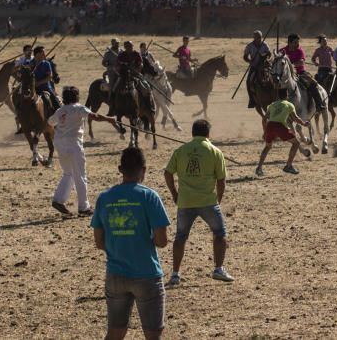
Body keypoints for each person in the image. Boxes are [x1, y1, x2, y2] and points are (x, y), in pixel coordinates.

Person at [90, 147, 170, 340]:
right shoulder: (150, 196)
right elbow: (161, 241)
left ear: (120, 169)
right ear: (144, 170)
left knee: (115, 332)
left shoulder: (105, 198)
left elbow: (99, 242)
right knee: (153, 335)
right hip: (147, 275)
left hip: (115, 275)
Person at [164, 119, 234, 284]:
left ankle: (175, 274)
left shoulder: (181, 150)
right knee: (220, 234)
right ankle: (218, 269)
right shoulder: (215, 151)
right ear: (208, 134)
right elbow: (221, 180)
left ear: (193, 133)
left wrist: (175, 194)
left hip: (185, 201)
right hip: (208, 201)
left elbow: (167, 173)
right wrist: (218, 200)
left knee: (180, 237)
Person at [49, 86, 121, 216]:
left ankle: (58, 200)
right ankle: (84, 207)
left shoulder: (60, 111)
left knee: (68, 173)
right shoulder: (79, 108)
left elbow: (50, 122)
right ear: (77, 97)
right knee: (80, 175)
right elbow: (95, 116)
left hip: (60, 143)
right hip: (73, 143)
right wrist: (109, 119)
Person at [256, 89, 312, 177]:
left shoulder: (272, 105)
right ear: (287, 95)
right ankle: (288, 166)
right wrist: (304, 123)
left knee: (267, 147)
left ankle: (259, 168)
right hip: (280, 126)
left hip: (270, 126)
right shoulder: (289, 104)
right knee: (296, 143)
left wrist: (265, 132)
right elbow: (296, 118)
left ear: (278, 96)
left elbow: (264, 119)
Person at [279, 34, 325, 110]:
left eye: (298, 42)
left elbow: (301, 62)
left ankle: (319, 104)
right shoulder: (282, 51)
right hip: (285, 75)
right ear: (289, 43)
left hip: (300, 73)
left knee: (312, 83)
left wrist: (291, 65)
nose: (297, 44)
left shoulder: (300, 51)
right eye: (295, 42)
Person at [109, 41, 144, 116]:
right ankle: (112, 108)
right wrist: (121, 67)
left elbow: (141, 64)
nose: (130, 48)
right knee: (114, 89)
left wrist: (138, 69)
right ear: (125, 47)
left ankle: (147, 106)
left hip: (135, 75)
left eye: (131, 46)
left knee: (146, 88)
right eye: (128, 47)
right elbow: (117, 65)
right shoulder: (121, 55)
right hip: (123, 76)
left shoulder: (136, 54)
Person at [243, 30, 271, 109]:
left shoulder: (264, 44)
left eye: (260, 37)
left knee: (273, 77)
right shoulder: (250, 46)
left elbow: (269, 54)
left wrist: (265, 56)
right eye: (257, 37)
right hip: (254, 66)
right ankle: (251, 99)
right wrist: (249, 61)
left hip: (264, 66)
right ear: (254, 37)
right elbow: (245, 56)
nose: (259, 39)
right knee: (248, 81)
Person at [32, 45, 61, 110]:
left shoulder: (46, 64)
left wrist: (38, 83)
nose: (45, 54)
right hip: (32, 89)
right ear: (37, 54)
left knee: (56, 104)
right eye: (43, 53)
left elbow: (49, 77)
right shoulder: (30, 64)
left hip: (45, 88)